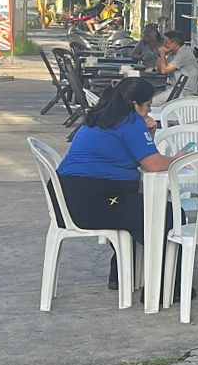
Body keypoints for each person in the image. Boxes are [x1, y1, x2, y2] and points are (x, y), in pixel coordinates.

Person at [54, 78, 176, 290]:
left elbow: (135, 153)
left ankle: (122, 274)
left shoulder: (101, 116)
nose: (149, 110)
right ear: (135, 104)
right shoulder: (130, 121)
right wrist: (179, 158)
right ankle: (164, 288)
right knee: (166, 215)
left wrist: (149, 133)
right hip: (92, 200)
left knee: (137, 212)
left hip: (68, 197)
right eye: (147, 105)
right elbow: (153, 164)